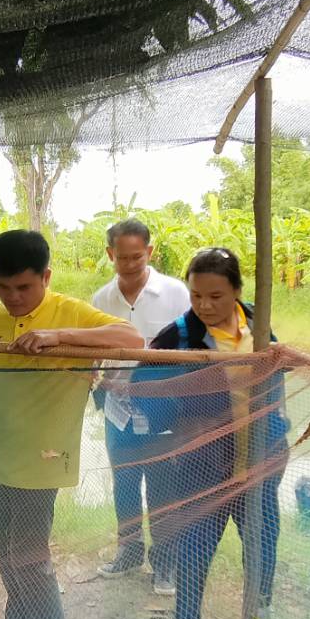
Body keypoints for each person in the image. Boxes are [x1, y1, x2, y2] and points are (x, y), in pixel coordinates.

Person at [0, 229, 144, 619]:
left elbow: (132, 339)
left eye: (24, 287)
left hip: (43, 461)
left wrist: (57, 336)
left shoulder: (70, 313)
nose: (14, 298)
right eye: (4, 287)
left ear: (46, 277)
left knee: (28, 557)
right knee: (6, 556)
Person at [134, 248, 289, 619]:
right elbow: (141, 387)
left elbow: (274, 380)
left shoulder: (257, 324)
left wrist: (279, 432)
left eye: (215, 296)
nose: (204, 305)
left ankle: (261, 612)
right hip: (203, 465)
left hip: (260, 459)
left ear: (237, 290)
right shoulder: (179, 336)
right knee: (196, 544)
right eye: (196, 295)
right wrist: (180, 421)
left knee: (262, 539)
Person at [90, 219, 190, 592]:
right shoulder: (102, 300)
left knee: (164, 488)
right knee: (125, 483)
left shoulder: (176, 293)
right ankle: (129, 553)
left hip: (165, 410)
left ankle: (165, 564)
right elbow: (94, 351)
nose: (130, 264)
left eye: (137, 256)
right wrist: (96, 377)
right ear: (110, 254)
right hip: (119, 412)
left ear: (149, 252)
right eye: (122, 258)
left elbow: (191, 347)